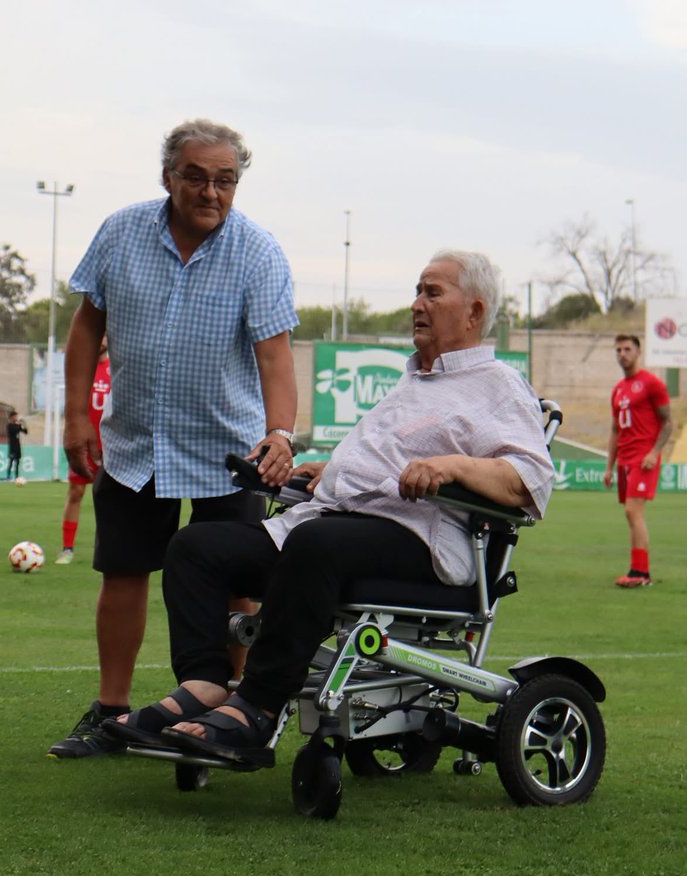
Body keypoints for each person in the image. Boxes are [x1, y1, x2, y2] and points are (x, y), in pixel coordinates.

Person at [102, 250, 555, 764]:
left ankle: (257, 706)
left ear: (474, 312)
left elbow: (531, 479)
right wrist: (332, 470)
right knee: (195, 548)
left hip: (419, 537)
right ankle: (204, 684)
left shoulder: (497, 384)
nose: (417, 304)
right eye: (417, 291)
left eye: (433, 293)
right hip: (333, 525)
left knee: (315, 544)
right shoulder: (415, 380)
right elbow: (384, 455)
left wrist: (453, 466)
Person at [49, 118, 299, 759]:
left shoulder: (258, 251)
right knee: (124, 571)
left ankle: (231, 712)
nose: (210, 192)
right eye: (196, 177)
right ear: (168, 177)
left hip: (228, 450)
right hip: (135, 442)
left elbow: (275, 356)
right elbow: (87, 326)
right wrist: (75, 415)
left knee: (237, 583)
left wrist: (279, 435)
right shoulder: (121, 231)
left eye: (225, 180)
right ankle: (111, 710)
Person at [601, 334, 672, 588]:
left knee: (633, 511)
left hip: (643, 459)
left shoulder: (652, 384)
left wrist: (654, 452)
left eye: (627, 349)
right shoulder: (619, 389)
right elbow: (615, 430)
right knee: (631, 515)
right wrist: (609, 466)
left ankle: (641, 573)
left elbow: (668, 422)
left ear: (638, 352)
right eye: (618, 350)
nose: (622, 354)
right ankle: (636, 570)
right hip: (624, 459)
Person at [56, 342, 110, 565]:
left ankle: (110, 549)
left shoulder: (116, 367)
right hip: (85, 444)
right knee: (76, 492)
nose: (101, 339)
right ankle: (67, 549)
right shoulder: (83, 368)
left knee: (110, 498)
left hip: (111, 445)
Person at [4, 413, 28, 480]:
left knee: (17, 462)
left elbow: (25, 432)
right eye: (15, 416)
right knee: (11, 462)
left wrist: (24, 424)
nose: (16, 418)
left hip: (18, 446)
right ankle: (8, 476)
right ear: (11, 417)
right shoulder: (9, 426)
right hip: (12, 446)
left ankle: (16, 477)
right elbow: (14, 430)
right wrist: (19, 424)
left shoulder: (17, 425)